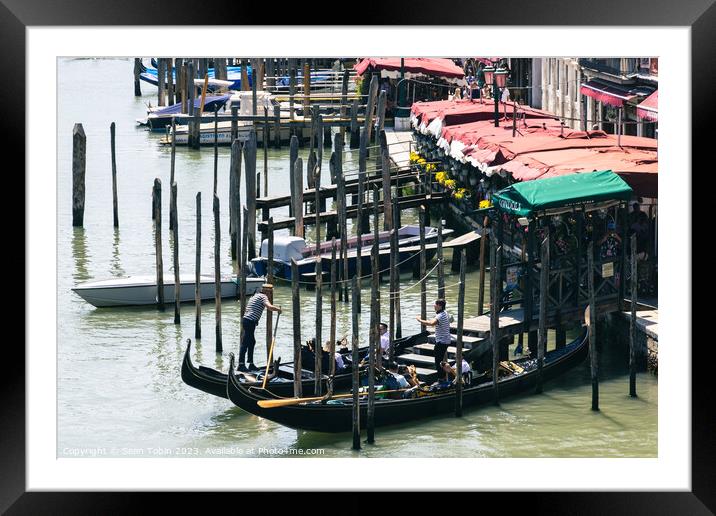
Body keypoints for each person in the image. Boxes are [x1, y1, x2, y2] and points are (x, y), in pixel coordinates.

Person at [238, 284, 282, 372]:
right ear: (267, 291)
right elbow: (269, 307)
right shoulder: (263, 297)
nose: (270, 295)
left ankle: (250, 364)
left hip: (248, 321)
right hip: (249, 321)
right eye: (270, 292)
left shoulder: (255, 296)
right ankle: (241, 365)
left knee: (252, 342)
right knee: (246, 343)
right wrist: (278, 309)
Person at [416, 299, 452, 380]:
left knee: (438, 362)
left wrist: (419, 320)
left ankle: (441, 378)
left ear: (439, 306)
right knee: (440, 360)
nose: (434, 306)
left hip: (442, 341)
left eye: (435, 304)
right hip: (445, 340)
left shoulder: (440, 316)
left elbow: (431, 323)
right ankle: (445, 371)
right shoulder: (445, 313)